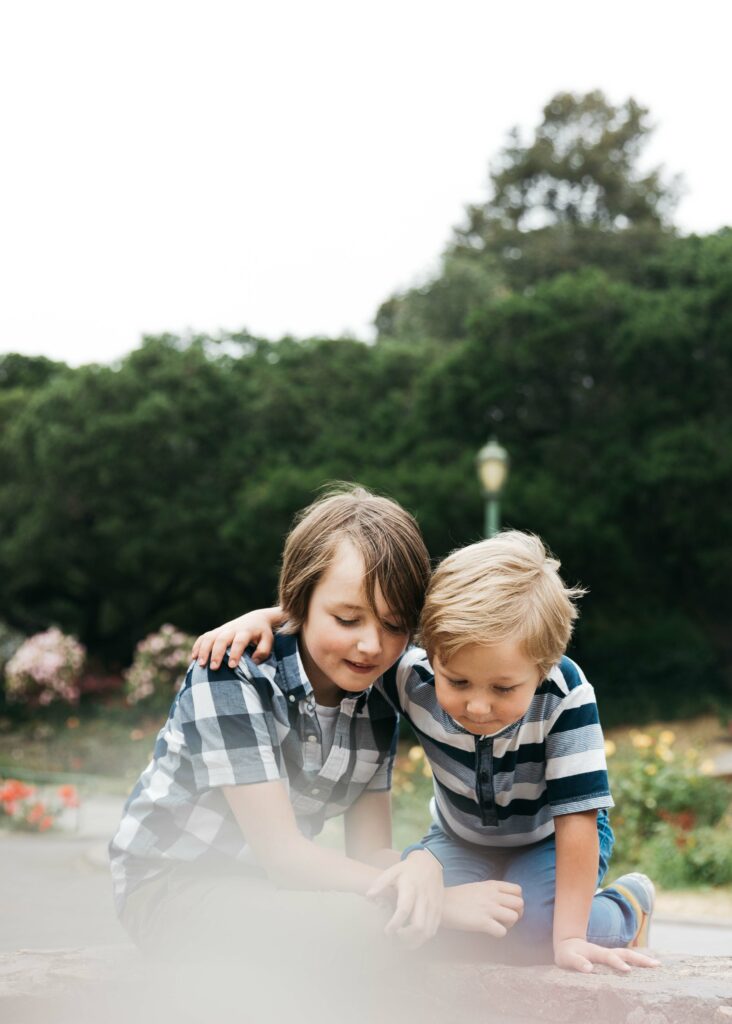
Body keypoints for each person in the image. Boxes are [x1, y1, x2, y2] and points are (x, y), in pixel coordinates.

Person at [193, 530, 661, 974]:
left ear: (542, 667)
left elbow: (577, 819)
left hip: (548, 839)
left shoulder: (565, 696)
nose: (477, 705)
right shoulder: (410, 677)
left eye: (503, 687)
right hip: (458, 838)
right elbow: (348, 636)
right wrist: (269, 619)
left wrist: (571, 940)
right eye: (456, 681)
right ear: (430, 653)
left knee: (535, 934)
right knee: (424, 921)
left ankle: (627, 906)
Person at [109, 486, 521, 970]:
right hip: (172, 887)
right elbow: (283, 856)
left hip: (266, 887)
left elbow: (370, 850)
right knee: (381, 930)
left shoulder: (380, 693)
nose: (371, 645)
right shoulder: (232, 673)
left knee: (403, 926)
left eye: (393, 626)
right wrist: (442, 904)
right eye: (347, 619)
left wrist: (420, 872)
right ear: (298, 602)